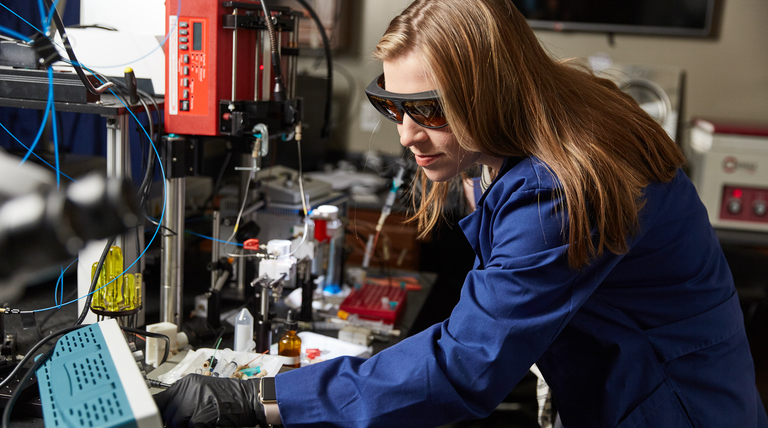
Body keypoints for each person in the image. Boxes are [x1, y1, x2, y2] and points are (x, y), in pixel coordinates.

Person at [153, 0, 768, 426]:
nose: (406, 135)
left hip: (673, 407)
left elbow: (464, 368)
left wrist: (258, 398)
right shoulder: (548, 105)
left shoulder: (559, 187)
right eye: (392, 106)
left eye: (429, 109)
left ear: (493, 93)